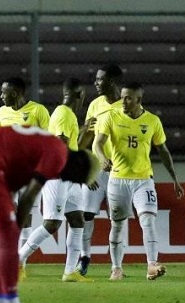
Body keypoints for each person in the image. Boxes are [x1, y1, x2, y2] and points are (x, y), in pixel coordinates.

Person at [0, 125, 99, 303]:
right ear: (77, 166)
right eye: (76, 180)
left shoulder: (52, 149)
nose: (71, 182)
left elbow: (16, 177)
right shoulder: (57, 156)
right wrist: (16, 228)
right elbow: (28, 197)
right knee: (7, 233)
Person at [94, 82, 185, 280]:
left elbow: (163, 151)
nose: (123, 101)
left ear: (138, 99)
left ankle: (152, 265)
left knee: (148, 221)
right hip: (118, 180)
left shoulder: (152, 121)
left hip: (143, 179)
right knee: (117, 225)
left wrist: (175, 179)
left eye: (128, 98)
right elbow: (97, 143)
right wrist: (102, 158)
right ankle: (116, 268)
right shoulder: (111, 116)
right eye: (122, 97)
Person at [18, 78, 90, 282]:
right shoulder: (63, 114)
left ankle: (69, 273)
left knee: (77, 219)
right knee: (52, 223)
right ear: (80, 95)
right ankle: (18, 258)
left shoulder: (69, 115)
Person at [75, 64, 124, 276]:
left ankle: (116, 266)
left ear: (112, 81)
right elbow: (85, 140)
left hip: (120, 172)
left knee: (117, 219)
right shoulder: (95, 105)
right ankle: (84, 258)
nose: (95, 83)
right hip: (96, 171)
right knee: (86, 215)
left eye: (100, 79)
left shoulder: (128, 104)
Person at [0, 77, 50, 253]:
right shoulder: (2, 111)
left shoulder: (38, 111)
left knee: (26, 213)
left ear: (15, 94)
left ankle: (19, 260)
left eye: (4, 93)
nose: (1, 96)